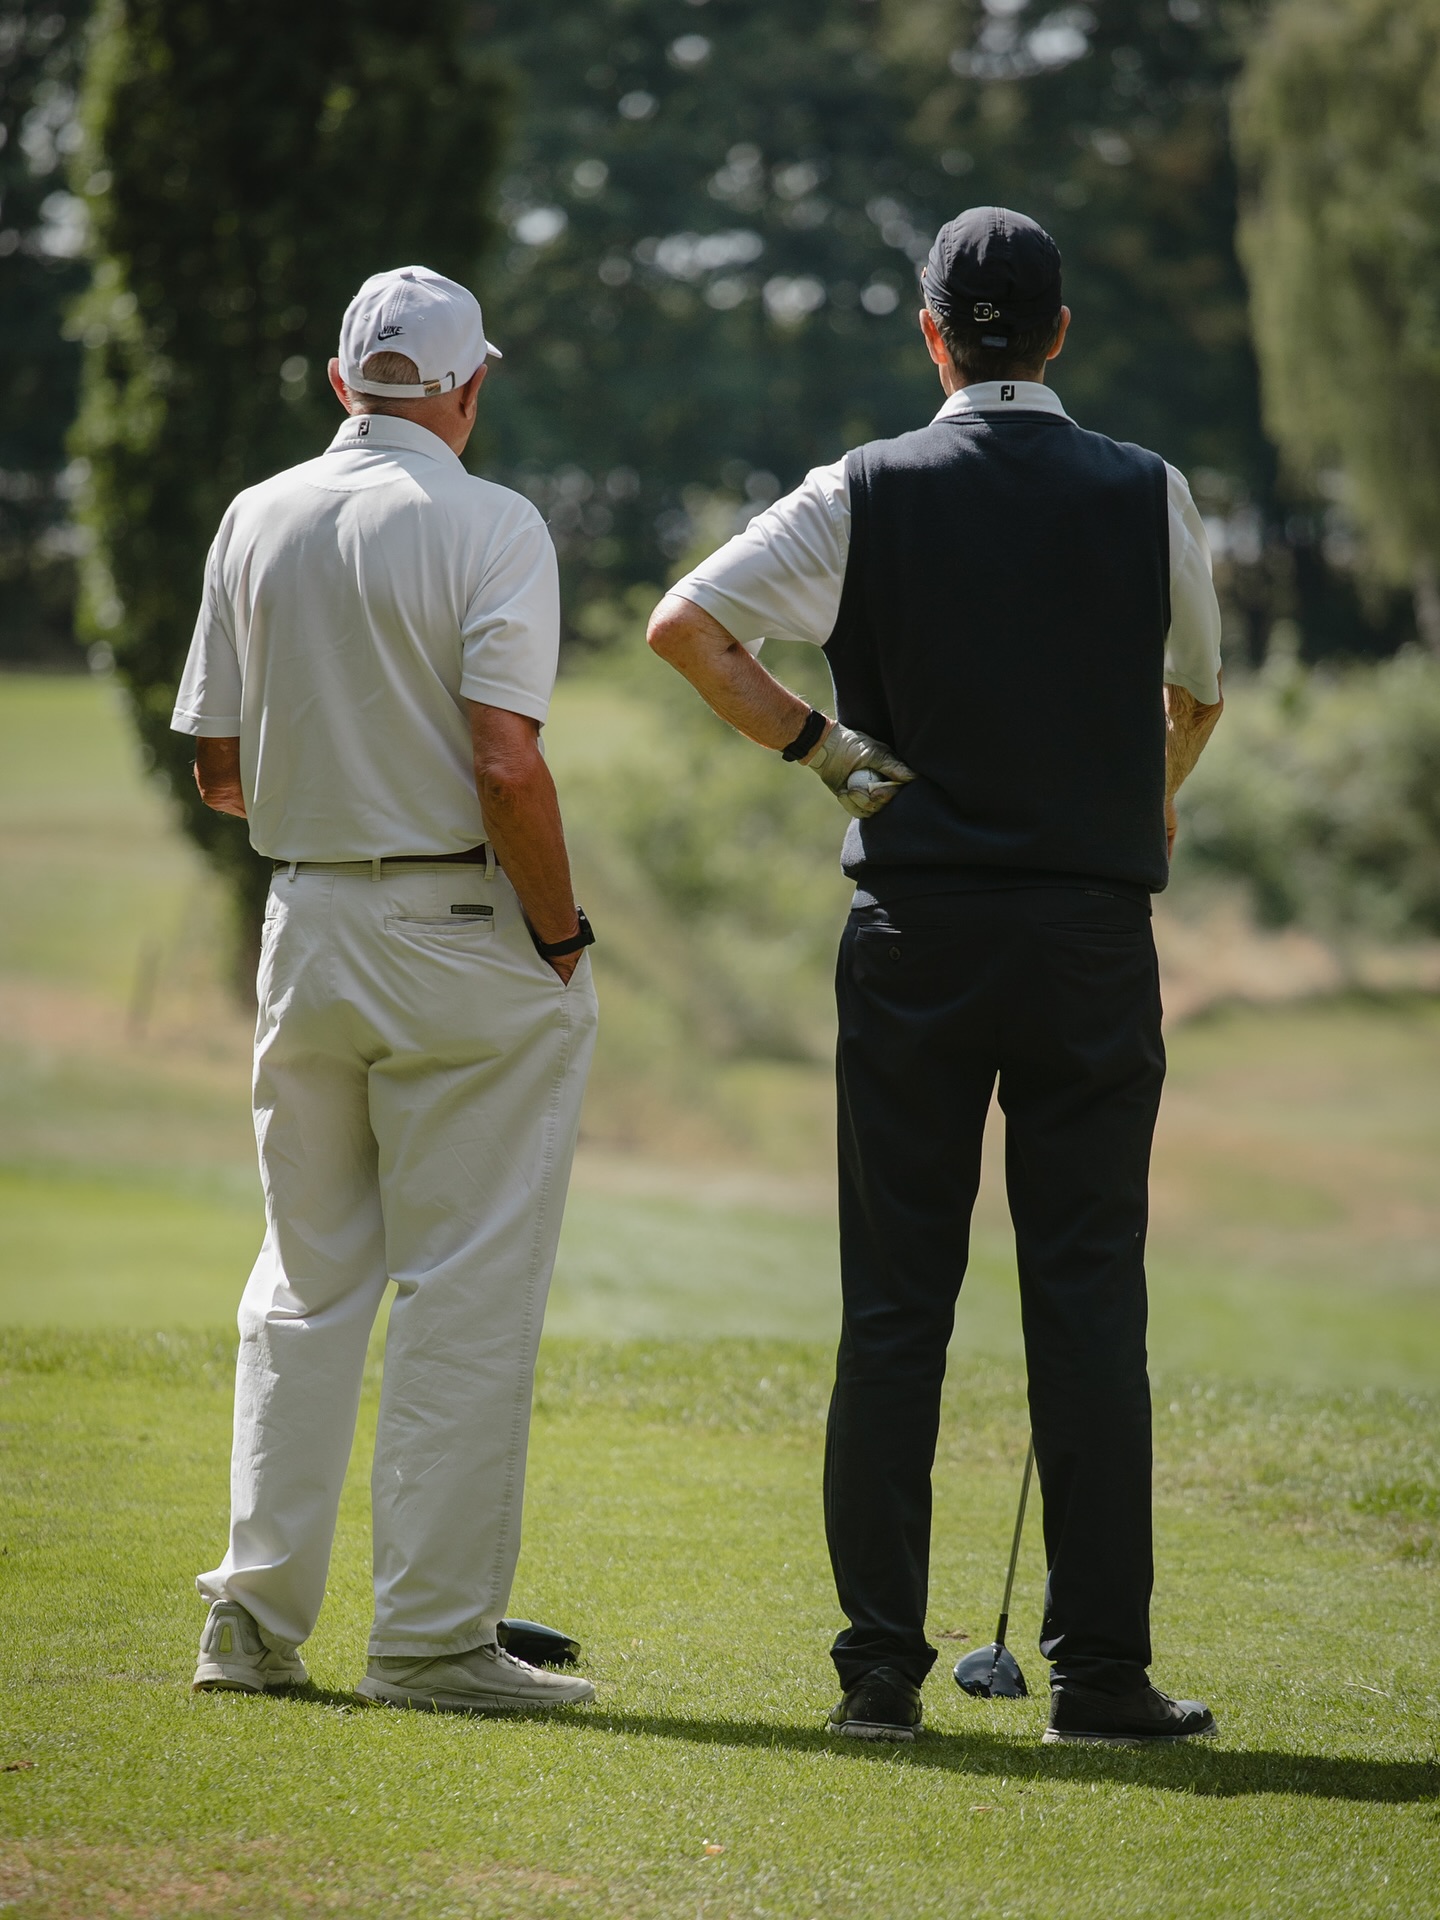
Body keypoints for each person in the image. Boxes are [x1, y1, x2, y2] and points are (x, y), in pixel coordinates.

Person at [648, 208, 1224, 1746]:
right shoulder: (1151, 488)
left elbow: (686, 628)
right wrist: (1147, 798)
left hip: (915, 934)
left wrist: (829, 755)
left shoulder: (862, 486)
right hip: (1089, 940)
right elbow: (1197, 691)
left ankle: (878, 1679)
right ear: (1060, 330)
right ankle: (1100, 1679)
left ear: (932, 335)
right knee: (1087, 1297)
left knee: (897, 1305)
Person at [174, 265, 599, 1715]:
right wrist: (561, 937)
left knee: (304, 1279)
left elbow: (217, 770)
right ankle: (428, 1644)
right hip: (461, 924)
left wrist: (334, 809)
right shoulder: (496, 522)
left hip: (303, 922)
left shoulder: (256, 515)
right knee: (463, 1284)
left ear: (343, 379)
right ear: (469, 388)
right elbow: (506, 765)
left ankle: (249, 1625)